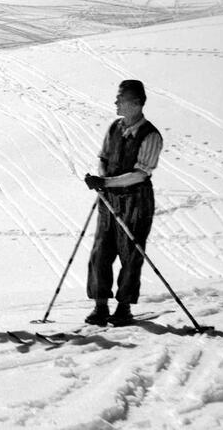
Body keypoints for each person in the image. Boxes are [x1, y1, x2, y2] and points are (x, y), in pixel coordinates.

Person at [83, 80, 163, 326]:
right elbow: (104, 157)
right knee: (100, 251)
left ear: (137, 103)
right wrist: (100, 179)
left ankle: (124, 307)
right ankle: (100, 305)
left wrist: (105, 183)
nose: (116, 102)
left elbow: (141, 173)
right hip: (109, 200)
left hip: (136, 202)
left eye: (121, 99)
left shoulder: (150, 135)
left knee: (131, 253)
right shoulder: (114, 128)